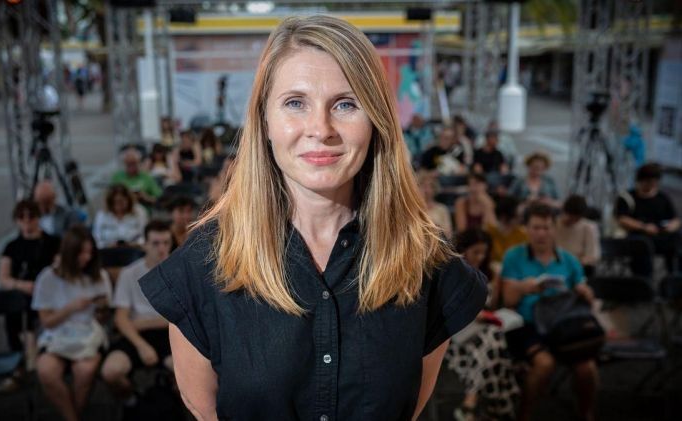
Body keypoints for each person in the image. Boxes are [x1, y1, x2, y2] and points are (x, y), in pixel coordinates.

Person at [138, 15, 487, 420]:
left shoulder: (427, 261)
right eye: (295, 103)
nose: (321, 129)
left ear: (376, 120)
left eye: (346, 104)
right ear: (264, 121)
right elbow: (204, 409)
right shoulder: (203, 264)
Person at [501, 203, 598, 421]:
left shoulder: (569, 260)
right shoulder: (513, 256)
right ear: (526, 229)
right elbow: (508, 301)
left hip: (562, 325)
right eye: (536, 228)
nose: (541, 233)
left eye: (546, 228)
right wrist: (523, 288)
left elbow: (585, 297)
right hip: (527, 323)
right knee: (544, 364)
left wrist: (586, 293)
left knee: (587, 367)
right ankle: (523, 415)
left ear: (554, 229)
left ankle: (586, 414)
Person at [32, 226, 112, 421]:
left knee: (84, 371)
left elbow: (104, 318)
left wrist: (102, 308)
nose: (86, 258)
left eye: (89, 252)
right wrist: (71, 307)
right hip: (57, 334)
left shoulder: (98, 275)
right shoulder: (48, 277)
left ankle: (72, 415)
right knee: (46, 371)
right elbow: (47, 322)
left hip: (88, 332)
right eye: (81, 253)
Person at [446, 229, 520, 421]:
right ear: (464, 250)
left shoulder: (491, 273)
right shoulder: (453, 272)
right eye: (476, 252)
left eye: (484, 252)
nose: (480, 257)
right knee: (498, 350)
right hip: (459, 335)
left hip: (482, 335)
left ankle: (470, 403)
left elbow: (492, 307)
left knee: (492, 338)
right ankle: (499, 410)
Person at [101, 220, 174, 408]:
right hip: (136, 335)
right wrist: (141, 345)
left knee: (187, 372)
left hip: (170, 335)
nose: (161, 249)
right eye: (155, 243)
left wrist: (143, 323)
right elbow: (120, 318)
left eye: (166, 243)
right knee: (111, 371)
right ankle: (133, 401)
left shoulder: (179, 272)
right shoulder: (129, 273)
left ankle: (173, 404)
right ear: (145, 245)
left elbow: (183, 317)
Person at [0, 200, 62, 393]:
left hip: (49, 292)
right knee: (14, 311)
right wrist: (22, 285)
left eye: (31, 217)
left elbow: (60, 268)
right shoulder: (12, 247)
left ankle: (39, 361)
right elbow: (3, 278)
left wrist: (42, 286)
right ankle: (20, 367)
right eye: (21, 217)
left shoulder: (53, 242)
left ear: (38, 218)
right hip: (23, 294)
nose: (26, 221)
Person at [615, 162, 681, 273]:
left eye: (655, 182)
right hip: (637, 236)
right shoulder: (628, 197)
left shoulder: (662, 198)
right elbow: (622, 219)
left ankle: (675, 276)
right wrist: (644, 227)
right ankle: (644, 279)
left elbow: (675, 220)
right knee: (641, 245)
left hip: (660, 236)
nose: (652, 185)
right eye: (649, 182)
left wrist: (670, 227)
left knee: (677, 240)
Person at [556, 195, 601, 277]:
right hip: (555, 266)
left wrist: (574, 263)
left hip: (578, 268)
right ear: (564, 211)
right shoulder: (553, 225)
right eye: (570, 216)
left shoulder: (588, 227)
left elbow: (593, 256)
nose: (572, 221)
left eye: (576, 219)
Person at [93, 184, 148, 248]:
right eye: (115, 202)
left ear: (129, 200)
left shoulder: (139, 211)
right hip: (108, 250)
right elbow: (96, 238)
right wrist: (108, 245)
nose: (118, 205)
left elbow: (145, 235)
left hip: (135, 248)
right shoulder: (102, 215)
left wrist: (134, 244)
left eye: (121, 201)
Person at [486, 195, 528, 264]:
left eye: (521, 216)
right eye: (517, 216)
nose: (521, 219)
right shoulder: (488, 232)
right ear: (503, 217)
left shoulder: (523, 235)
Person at [416, 170, 453, 238]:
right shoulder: (414, 209)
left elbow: (448, 234)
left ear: (435, 189)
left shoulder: (442, 209)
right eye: (423, 186)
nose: (426, 190)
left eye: (430, 186)